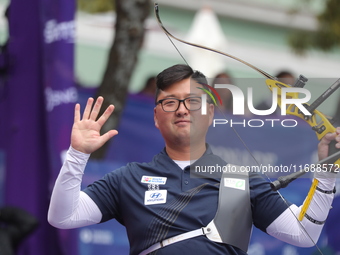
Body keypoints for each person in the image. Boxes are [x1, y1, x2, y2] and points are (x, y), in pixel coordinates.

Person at [48, 64, 340, 255]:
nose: (182, 110)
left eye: (193, 102)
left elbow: (304, 234)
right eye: (170, 102)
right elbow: (62, 216)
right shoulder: (130, 177)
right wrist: (78, 154)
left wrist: (327, 175)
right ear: (156, 117)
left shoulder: (242, 179)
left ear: (211, 113)